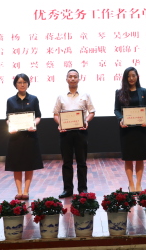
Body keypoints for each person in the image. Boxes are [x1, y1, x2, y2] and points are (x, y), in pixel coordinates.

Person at [53, 69, 96, 198]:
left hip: (80, 132)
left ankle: (83, 189)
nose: (72, 79)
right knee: (66, 162)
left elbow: (92, 112)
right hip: (65, 133)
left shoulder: (85, 95)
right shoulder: (61, 96)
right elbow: (55, 114)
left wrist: (86, 121)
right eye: (70, 76)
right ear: (66, 79)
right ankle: (68, 190)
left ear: (79, 79)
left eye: (75, 77)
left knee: (81, 162)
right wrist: (60, 124)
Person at [5, 73, 43, 200]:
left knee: (29, 164)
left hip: (30, 136)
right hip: (15, 137)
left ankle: (26, 191)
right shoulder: (10, 100)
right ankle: (19, 191)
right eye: (19, 82)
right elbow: (8, 118)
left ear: (28, 84)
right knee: (16, 165)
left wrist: (34, 124)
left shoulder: (33, 99)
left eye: (24, 82)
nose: (22, 85)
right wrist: (10, 126)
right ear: (15, 84)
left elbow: (38, 116)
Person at [113, 67, 146, 193]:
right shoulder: (119, 92)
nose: (131, 78)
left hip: (141, 129)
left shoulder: (143, 91)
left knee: (140, 157)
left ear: (137, 76)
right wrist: (121, 119)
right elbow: (116, 110)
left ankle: (138, 184)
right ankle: (131, 184)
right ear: (125, 78)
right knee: (128, 157)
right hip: (126, 130)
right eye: (128, 76)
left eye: (133, 75)